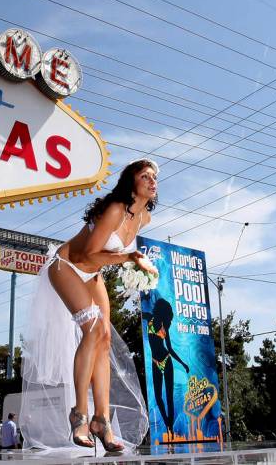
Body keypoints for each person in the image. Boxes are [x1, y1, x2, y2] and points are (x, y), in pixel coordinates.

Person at [21, 159, 159, 454]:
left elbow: (102, 261)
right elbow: (85, 257)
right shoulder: (114, 210)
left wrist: (139, 269)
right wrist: (131, 258)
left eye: (154, 177)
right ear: (130, 182)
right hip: (67, 266)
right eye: (144, 176)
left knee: (105, 339)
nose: (152, 180)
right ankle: (79, 414)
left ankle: (102, 421)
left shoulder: (143, 218)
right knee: (94, 330)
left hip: (93, 272)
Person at [142, 297, 189, 440]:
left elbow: (170, 349)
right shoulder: (149, 318)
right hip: (155, 361)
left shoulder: (164, 327)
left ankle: (170, 428)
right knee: (157, 396)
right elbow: (142, 313)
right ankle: (168, 423)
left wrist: (182, 363)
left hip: (166, 360)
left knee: (169, 397)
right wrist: (143, 296)